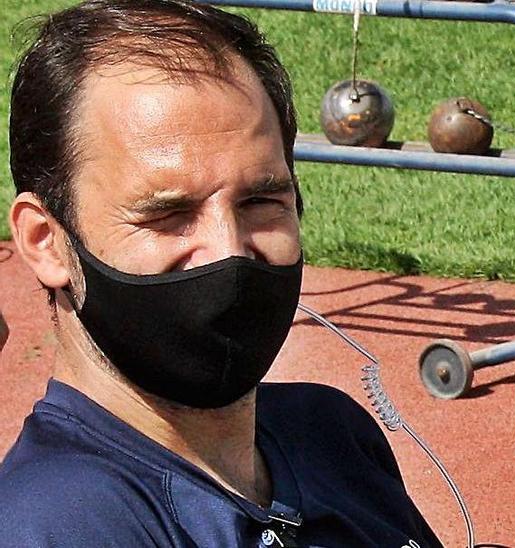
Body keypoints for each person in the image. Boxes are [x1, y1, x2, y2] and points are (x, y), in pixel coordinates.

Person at [2, 1, 443, 546]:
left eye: (261, 201)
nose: (227, 252)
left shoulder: (330, 432)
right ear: (46, 242)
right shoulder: (60, 524)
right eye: (167, 215)